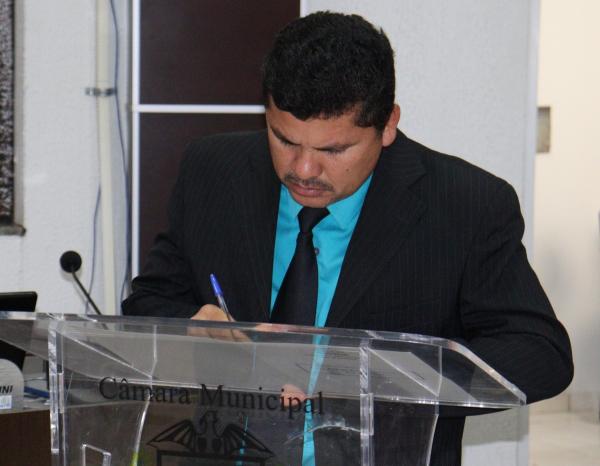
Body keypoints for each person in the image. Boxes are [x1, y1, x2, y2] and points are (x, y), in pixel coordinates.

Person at [123, 11, 573, 465]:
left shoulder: (465, 205)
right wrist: (191, 327)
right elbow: (148, 303)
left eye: (333, 150)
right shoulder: (213, 171)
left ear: (388, 124)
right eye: (284, 139)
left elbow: (540, 354)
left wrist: (382, 377)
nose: (303, 169)